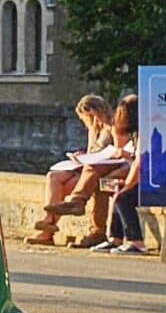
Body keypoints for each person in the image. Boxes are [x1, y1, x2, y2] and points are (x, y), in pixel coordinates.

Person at [31, 94, 117, 246]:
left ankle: (48, 230)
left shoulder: (113, 128)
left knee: (68, 186)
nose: (89, 122)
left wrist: (90, 157)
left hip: (100, 171)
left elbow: (113, 153)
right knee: (54, 177)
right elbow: (93, 152)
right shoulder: (93, 129)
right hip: (88, 168)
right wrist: (82, 155)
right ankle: (49, 222)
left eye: (89, 117)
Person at [90, 95, 146, 254]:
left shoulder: (144, 132)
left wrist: (128, 185)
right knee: (117, 189)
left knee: (123, 196)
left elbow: (139, 164)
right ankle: (115, 238)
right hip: (149, 179)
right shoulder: (136, 133)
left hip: (158, 183)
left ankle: (136, 241)